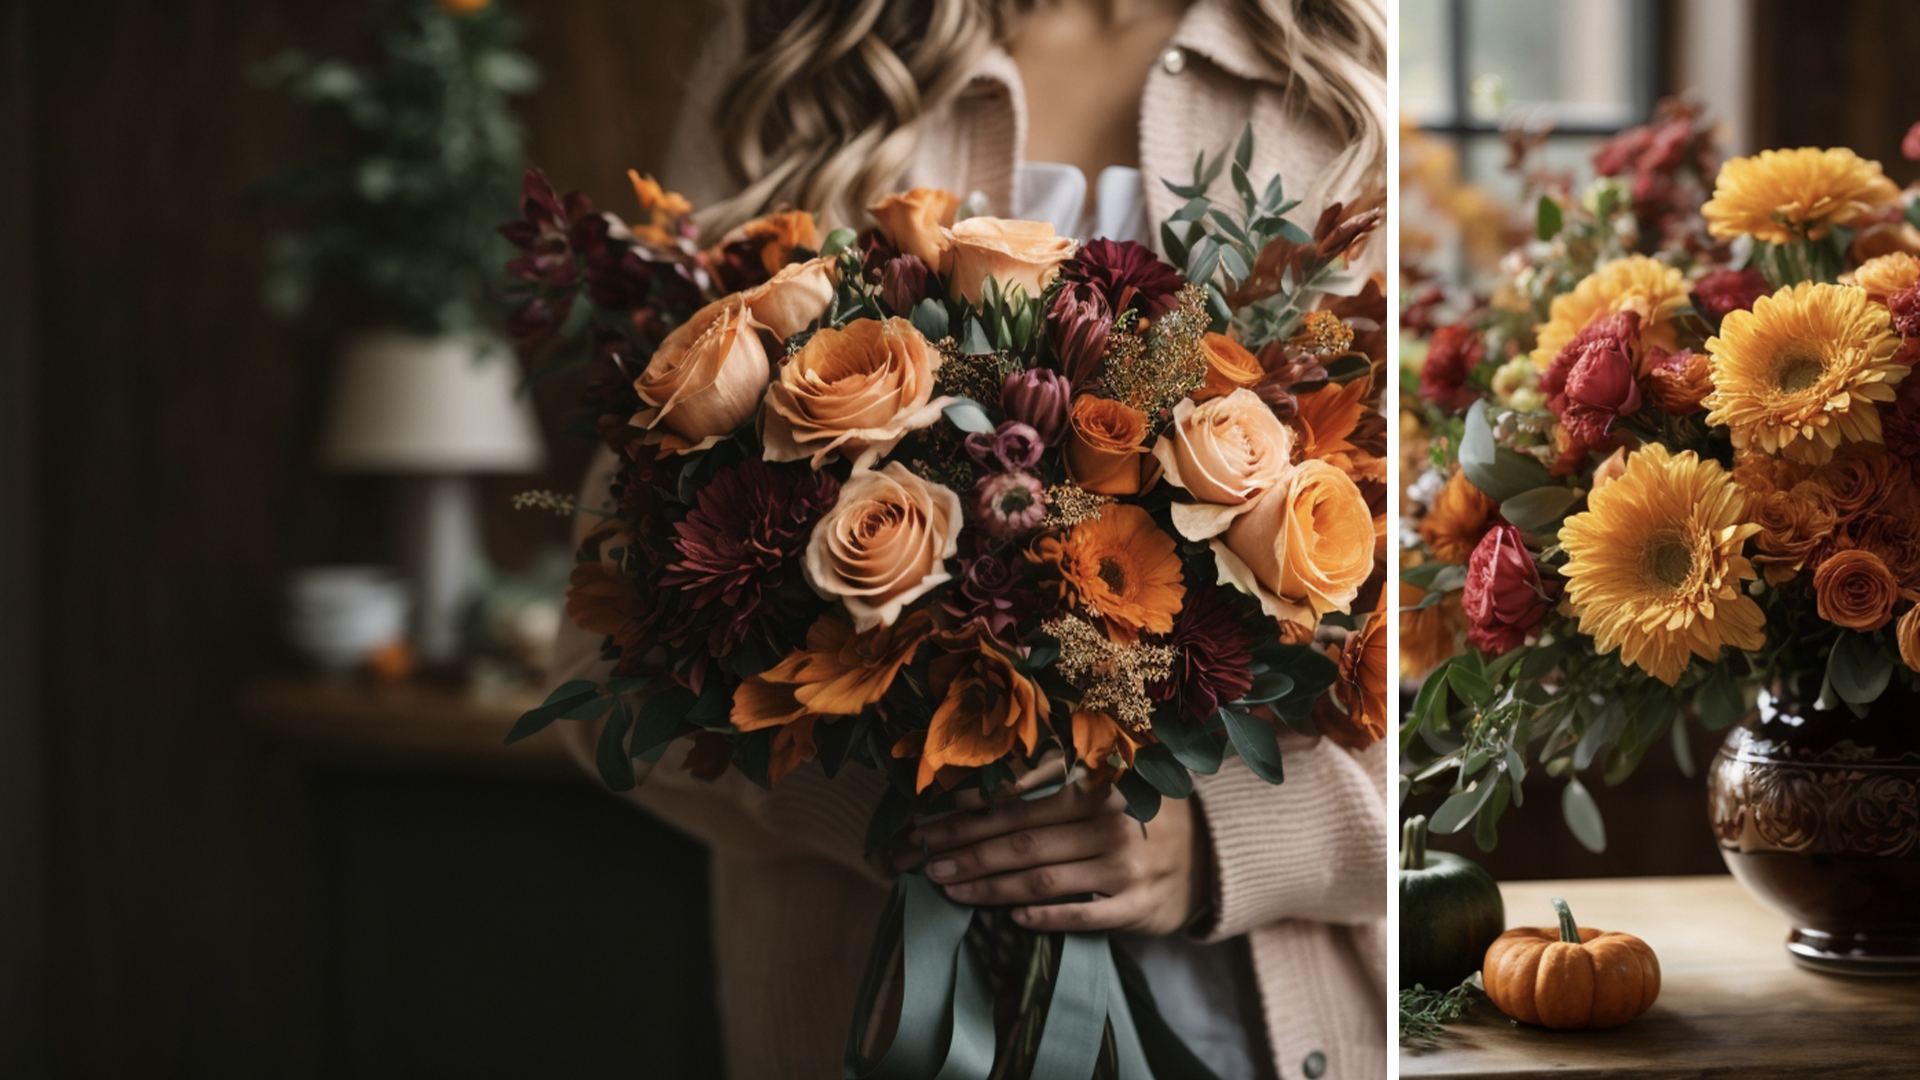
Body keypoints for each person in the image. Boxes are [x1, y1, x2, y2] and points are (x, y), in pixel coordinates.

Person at [551, 1, 1388, 1077]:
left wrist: (1224, 846)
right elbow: (602, 651)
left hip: (1261, 1023)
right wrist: (873, 793)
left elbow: (1439, 648)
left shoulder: (1353, 65)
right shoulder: (799, 54)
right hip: (861, 1004)